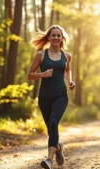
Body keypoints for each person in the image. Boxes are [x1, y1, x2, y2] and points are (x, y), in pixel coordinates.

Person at [27, 25, 76, 169]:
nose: (56, 38)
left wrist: (70, 81)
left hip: (61, 95)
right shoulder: (41, 55)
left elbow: (67, 70)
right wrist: (42, 74)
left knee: (54, 122)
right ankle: (58, 147)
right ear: (49, 37)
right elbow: (29, 75)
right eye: (53, 35)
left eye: (58, 35)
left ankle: (49, 159)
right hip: (44, 96)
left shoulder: (67, 55)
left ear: (62, 38)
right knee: (50, 128)